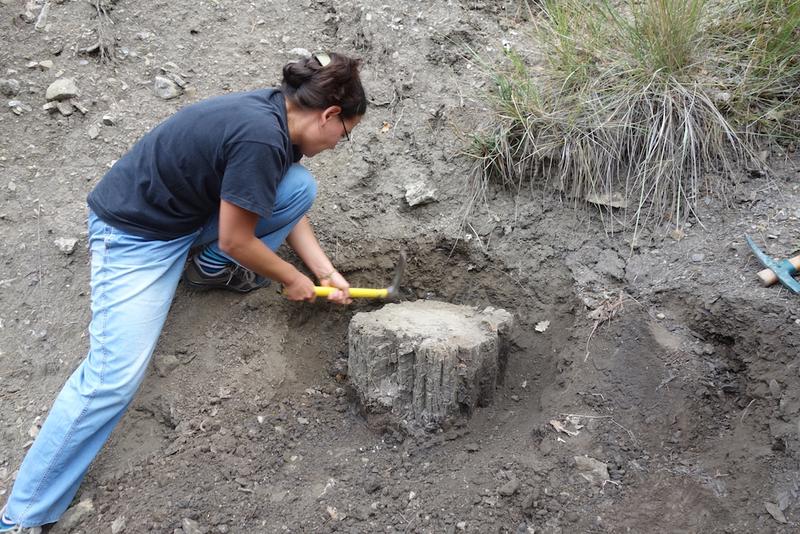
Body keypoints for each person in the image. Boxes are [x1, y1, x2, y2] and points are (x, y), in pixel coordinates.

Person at [0, 51, 366, 531]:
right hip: (135, 234)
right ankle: (23, 516)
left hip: (185, 217)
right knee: (113, 378)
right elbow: (237, 237)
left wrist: (323, 271)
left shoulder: (277, 116)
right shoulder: (260, 137)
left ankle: (209, 271)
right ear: (330, 114)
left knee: (296, 187)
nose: (341, 143)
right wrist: (293, 279)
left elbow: (274, 205)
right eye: (346, 133)